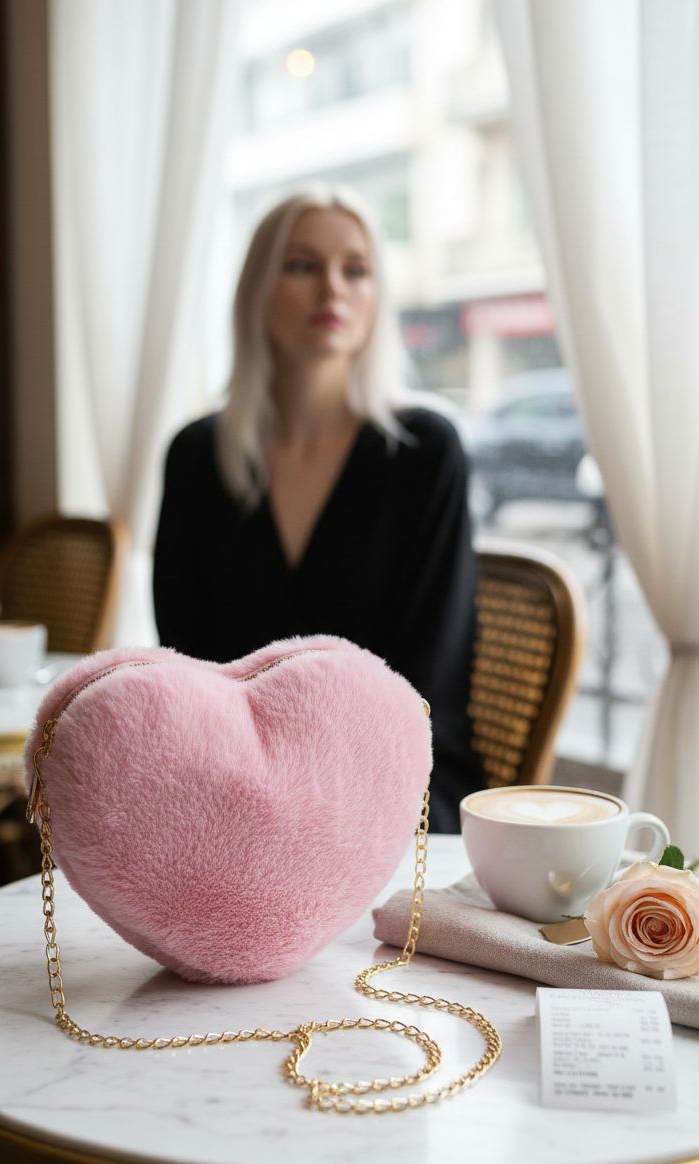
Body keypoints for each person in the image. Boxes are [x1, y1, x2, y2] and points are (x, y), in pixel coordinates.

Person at [153, 184, 484, 835]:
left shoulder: (425, 453)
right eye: (303, 265)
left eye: (356, 270)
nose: (333, 288)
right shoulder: (195, 457)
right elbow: (187, 667)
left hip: (395, 787)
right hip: (233, 787)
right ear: (257, 288)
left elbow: (430, 682)